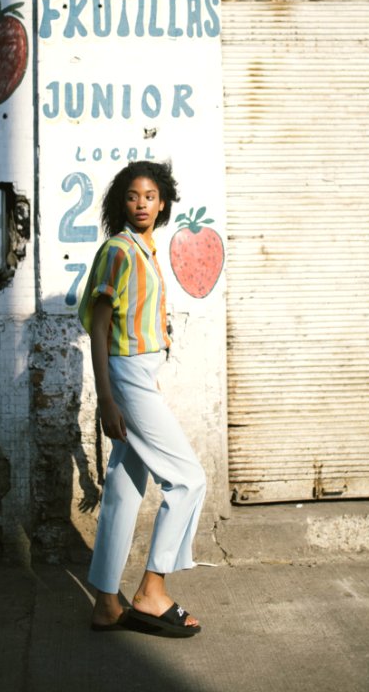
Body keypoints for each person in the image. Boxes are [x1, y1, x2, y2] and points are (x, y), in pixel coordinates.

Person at [78, 160, 206, 637]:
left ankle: (106, 604)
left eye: (149, 196)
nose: (141, 205)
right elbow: (99, 325)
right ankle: (152, 591)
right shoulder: (117, 251)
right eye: (132, 196)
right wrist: (107, 400)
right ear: (121, 202)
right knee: (188, 480)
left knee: (125, 486)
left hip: (141, 373)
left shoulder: (145, 249)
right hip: (127, 375)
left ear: (163, 202)